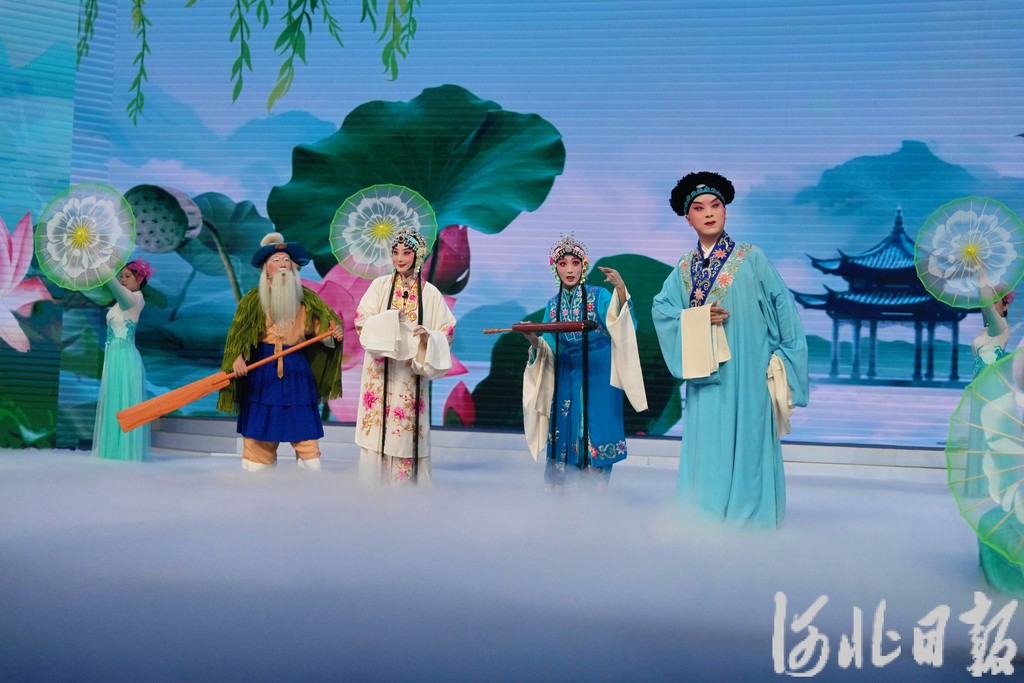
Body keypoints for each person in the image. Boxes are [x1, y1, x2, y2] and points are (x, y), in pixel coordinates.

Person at [652, 171, 808, 527]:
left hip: (750, 372)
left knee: (750, 443)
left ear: (725, 211)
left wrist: (785, 358)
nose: (709, 212)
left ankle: (749, 519)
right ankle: (703, 517)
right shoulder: (684, 268)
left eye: (715, 205)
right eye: (698, 208)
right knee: (707, 445)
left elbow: (784, 309)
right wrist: (695, 317)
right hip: (706, 377)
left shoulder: (752, 258)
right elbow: (662, 309)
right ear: (687, 218)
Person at [521, 234, 647, 490]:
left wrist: (621, 289)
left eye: (575, 263)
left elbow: (621, 324)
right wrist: (533, 338)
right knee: (566, 425)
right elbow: (548, 348)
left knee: (595, 428)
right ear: (555, 268)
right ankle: (563, 494)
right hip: (567, 371)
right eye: (563, 264)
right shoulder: (553, 305)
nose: (569, 270)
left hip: (599, 370)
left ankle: (595, 496)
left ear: (584, 266)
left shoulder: (599, 295)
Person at [217, 232, 344, 471]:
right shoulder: (253, 300)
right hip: (261, 370)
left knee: (304, 430)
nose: (282, 264)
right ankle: (259, 478)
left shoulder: (307, 300)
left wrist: (333, 335)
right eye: (276, 261)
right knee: (260, 432)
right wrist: (237, 358)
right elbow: (237, 337)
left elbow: (323, 332)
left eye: (286, 260)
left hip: (296, 369)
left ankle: (311, 479)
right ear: (266, 268)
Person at [354, 228, 456, 486]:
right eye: (396, 252)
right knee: (376, 430)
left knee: (405, 432)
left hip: (409, 373)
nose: (400, 258)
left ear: (418, 255)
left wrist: (428, 337)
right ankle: (372, 491)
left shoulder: (430, 293)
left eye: (406, 253)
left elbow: (447, 330)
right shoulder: (379, 287)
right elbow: (361, 321)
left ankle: (406, 491)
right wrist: (388, 320)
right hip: (379, 372)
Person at [968, 293, 1024, 596]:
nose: (988, 307)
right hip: (981, 389)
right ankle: (983, 484)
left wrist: (982, 277)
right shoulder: (983, 333)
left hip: (996, 393)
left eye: (995, 303)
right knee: (982, 443)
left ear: (1004, 306)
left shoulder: (1003, 329)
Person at [93, 259, 154, 461]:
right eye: (122, 276)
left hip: (124, 358)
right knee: (113, 402)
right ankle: (111, 452)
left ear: (140, 279)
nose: (123, 279)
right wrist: (112, 261)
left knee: (123, 402)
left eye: (128, 276)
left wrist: (103, 266)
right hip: (113, 356)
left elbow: (113, 286)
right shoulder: (122, 301)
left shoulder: (135, 299)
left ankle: (124, 454)